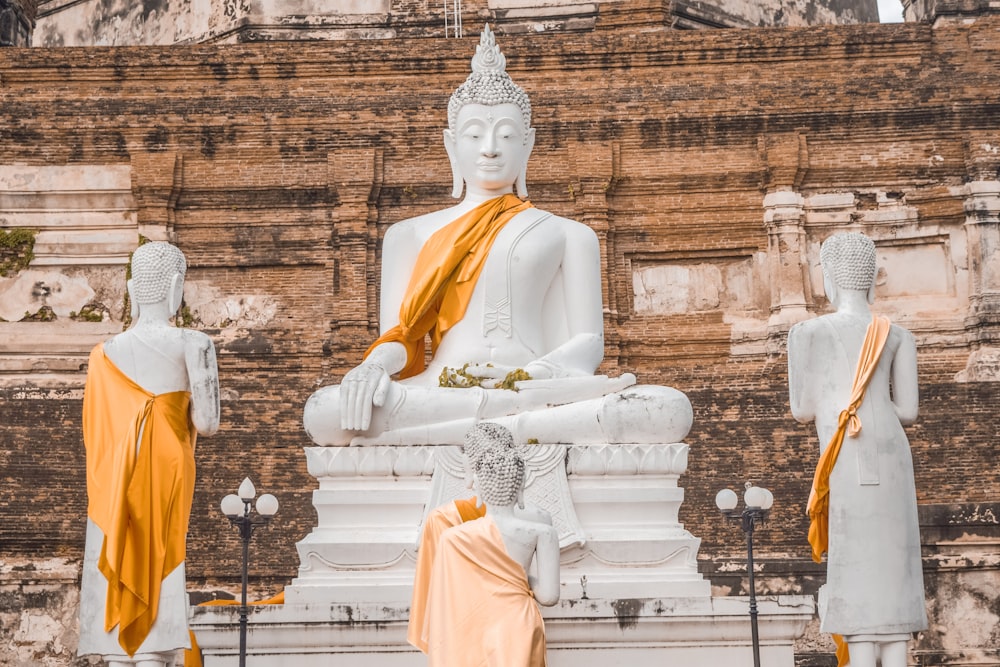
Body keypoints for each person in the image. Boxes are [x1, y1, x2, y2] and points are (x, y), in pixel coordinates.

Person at [303, 24, 691, 447]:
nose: (489, 148)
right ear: (452, 145)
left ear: (528, 145)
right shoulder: (408, 234)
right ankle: (512, 429)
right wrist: (372, 367)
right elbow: (400, 335)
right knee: (326, 412)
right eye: (474, 135)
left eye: (506, 135)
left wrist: (527, 376)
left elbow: (588, 344)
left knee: (665, 410)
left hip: (534, 390)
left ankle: (496, 425)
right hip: (440, 390)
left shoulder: (569, 233)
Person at [787, 232, 927, 667]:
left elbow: (802, 408)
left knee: (855, 555)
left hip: (843, 448)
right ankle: (896, 653)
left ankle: (861, 653)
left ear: (827, 279)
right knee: (892, 558)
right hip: (890, 451)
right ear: (870, 282)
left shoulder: (806, 331)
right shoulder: (898, 334)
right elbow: (907, 410)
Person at [78, 242, 220, 667]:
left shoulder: (103, 354)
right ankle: (155, 648)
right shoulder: (193, 343)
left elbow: (94, 432)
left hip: (115, 475)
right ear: (177, 287)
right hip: (166, 463)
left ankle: (120, 649)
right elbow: (208, 422)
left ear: (131, 288)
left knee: (120, 548)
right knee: (161, 553)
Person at [407, 422, 551, 653]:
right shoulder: (540, 520)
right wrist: (518, 579)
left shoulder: (444, 522)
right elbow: (546, 590)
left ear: (474, 468)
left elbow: (439, 600)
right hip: (517, 623)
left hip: (465, 631)